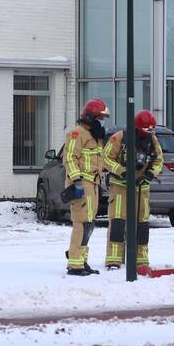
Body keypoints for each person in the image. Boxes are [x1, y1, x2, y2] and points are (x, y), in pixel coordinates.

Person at [103, 110, 164, 269]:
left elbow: (159, 160)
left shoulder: (152, 139)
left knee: (142, 224)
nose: (148, 134)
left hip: (142, 188)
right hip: (120, 187)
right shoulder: (120, 138)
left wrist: (151, 173)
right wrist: (122, 171)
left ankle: (141, 260)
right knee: (117, 222)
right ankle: (114, 259)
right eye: (145, 130)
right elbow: (106, 158)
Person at [64, 98, 110, 276]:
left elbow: (99, 160)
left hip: (94, 184)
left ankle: (82, 261)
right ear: (91, 118)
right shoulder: (77, 133)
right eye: (99, 118)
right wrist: (76, 180)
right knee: (81, 224)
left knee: (89, 224)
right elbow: (70, 158)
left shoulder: (95, 137)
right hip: (82, 184)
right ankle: (74, 265)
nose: (101, 123)